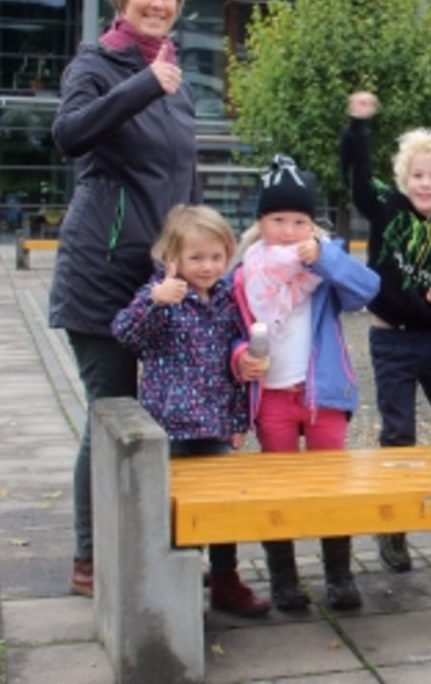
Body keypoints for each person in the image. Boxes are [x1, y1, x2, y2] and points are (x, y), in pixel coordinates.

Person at [48, 0, 198, 597]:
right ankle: (89, 558)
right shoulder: (97, 62)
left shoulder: (175, 75)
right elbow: (69, 133)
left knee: (166, 412)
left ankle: (149, 539)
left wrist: (198, 251)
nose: (159, 3)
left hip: (161, 273)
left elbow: (180, 173)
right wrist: (141, 85)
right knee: (111, 411)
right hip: (102, 273)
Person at [231, 155, 380, 613]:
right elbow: (227, 332)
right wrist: (239, 359)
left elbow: (367, 289)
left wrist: (329, 258)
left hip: (323, 398)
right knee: (280, 487)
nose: (290, 230)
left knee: (331, 484)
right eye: (279, 220)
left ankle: (338, 574)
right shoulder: (244, 275)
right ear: (261, 222)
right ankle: (284, 577)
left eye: (300, 221)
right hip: (272, 396)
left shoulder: (321, 272)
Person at [338, 92, 431, 574]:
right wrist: (358, 127)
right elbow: (355, 178)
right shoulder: (387, 208)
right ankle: (393, 528)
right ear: (405, 177)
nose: (425, 183)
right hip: (389, 340)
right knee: (398, 435)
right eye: (418, 175)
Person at [110, 205, 271, 617]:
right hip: (169, 428)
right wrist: (155, 302)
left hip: (214, 427)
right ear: (173, 258)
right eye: (196, 258)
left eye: (216, 257)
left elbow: (234, 369)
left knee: (220, 510)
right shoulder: (162, 295)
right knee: (175, 512)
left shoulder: (226, 300)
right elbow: (126, 333)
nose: (207, 266)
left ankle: (225, 581)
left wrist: (239, 423)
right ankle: (176, 589)